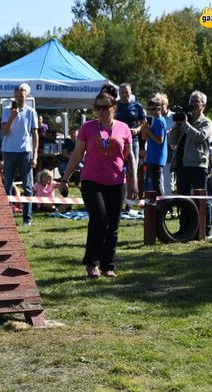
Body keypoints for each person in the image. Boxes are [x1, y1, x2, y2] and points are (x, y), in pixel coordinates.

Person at [60, 84, 137, 278]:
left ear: (114, 108)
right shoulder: (87, 128)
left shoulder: (124, 128)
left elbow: (130, 157)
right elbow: (77, 155)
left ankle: (108, 265)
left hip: (117, 181)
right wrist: (65, 179)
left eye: (104, 107)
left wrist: (134, 181)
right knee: (99, 219)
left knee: (113, 224)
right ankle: (92, 263)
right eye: (97, 107)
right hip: (91, 180)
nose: (100, 111)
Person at [1, 83, 39, 227]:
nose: (18, 99)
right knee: (7, 184)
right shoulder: (6, 110)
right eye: (16, 96)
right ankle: (7, 218)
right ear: (13, 96)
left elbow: (35, 135)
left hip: (25, 151)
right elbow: (4, 132)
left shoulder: (31, 111)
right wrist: (12, 116)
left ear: (26, 96)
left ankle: (27, 219)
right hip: (9, 150)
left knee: (27, 185)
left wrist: (35, 156)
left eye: (21, 96)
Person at [168, 90, 212, 195]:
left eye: (196, 101)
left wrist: (185, 124)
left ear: (203, 105)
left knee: (199, 200)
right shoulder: (185, 120)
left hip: (198, 165)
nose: (193, 104)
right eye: (191, 101)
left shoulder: (206, 122)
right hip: (182, 165)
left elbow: (199, 137)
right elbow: (172, 141)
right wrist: (177, 125)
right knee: (183, 199)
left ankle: (203, 212)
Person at [141, 97, 168, 196]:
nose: (150, 112)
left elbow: (159, 140)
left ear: (159, 109)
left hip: (157, 158)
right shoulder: (155, 120)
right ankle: (159, 206)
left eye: (152, 109)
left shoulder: (159, 121)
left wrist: (148, 131)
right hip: (153, 157)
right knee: (154, 185)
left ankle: (163, 206)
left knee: (157, 185)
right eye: (149, 109)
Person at [116, 83, 145, 164]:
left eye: (126, 92)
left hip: (133, 141)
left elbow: (143, 122)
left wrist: (137, 129)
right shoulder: (114, 105)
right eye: (122, 92)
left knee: (133, 170)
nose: (124, 94)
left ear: (131, 92)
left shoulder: (137, 106)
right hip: (117, 141)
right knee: (118, 168)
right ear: (119, 93)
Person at [156, 93, 175, 195]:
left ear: (166, 104)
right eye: (157, 105)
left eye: (161, 104)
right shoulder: (155, 118)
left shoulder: (174, 117)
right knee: (159, 181)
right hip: (157, 153)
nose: (159, 107)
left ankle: (168, 204)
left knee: (168, 180)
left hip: (170, 153)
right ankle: (161, 204)